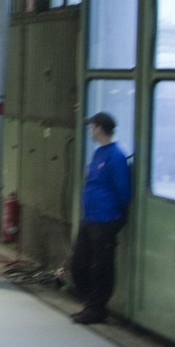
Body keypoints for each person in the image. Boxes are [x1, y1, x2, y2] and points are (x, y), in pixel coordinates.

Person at [67, 112, 133, 324]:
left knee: (101, 267)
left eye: (92, 126)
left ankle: (97, 308)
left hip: (106, 220)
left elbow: (123, 191)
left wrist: (116, 216)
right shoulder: (98, 153)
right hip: (90, 218)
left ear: (99, 128)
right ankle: (90, 303)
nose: (90, 130)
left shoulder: (116, 156)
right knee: (79, 264)